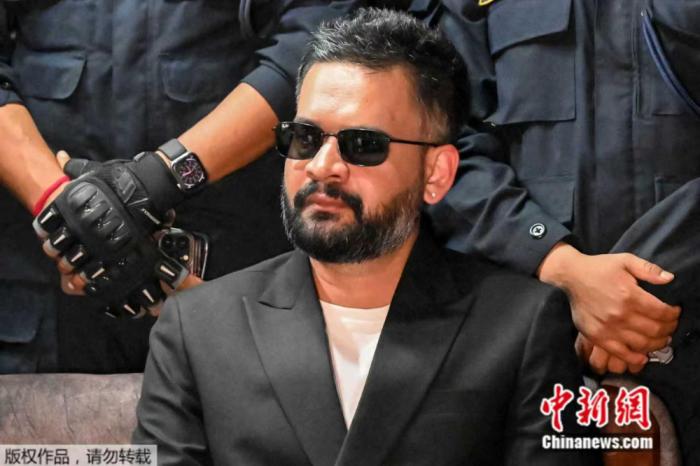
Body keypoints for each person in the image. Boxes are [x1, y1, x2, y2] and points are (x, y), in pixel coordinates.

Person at [133, 10, 598, 465]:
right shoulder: (197, 327)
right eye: (305, 138)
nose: (322, 167)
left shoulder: (521, 326)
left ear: (436, 173)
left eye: (363, 145)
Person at [0, 0, 360, 373]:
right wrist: (66, 209)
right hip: (46, 294)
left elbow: (316, 39)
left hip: (223, 275)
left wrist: (160, 178)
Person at [423, 0, 700, 462]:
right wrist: (555, 261)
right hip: (528, 340)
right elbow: (441, 143)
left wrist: (637, 292)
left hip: (684, 322)